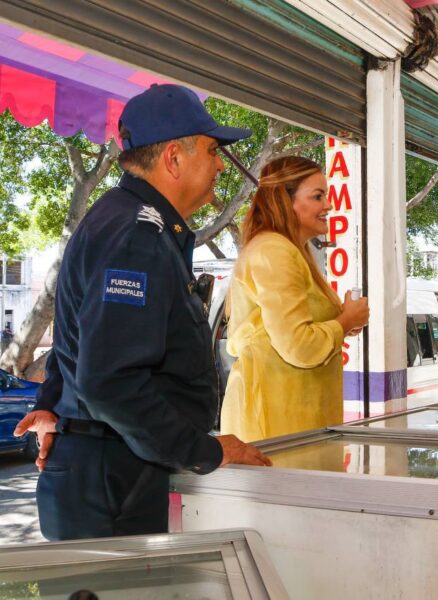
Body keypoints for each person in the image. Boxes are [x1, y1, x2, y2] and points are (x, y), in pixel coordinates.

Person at [13, 84, 270, 542]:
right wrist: (204, 451)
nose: (218, 165)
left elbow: (80, 343)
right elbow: (108, 379)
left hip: (110, 471)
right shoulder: (136, 234)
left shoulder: (122, 220)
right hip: (114, 483)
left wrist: (52, 403)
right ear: (173, 158)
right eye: (213, 150)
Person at [220, 156, 369, 442]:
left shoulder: (287, 250)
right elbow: (298, 346)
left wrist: (342, 324)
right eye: (318, 196)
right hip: (276, 421)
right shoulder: (274, 251)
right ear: (285, 201)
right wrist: (345, 320)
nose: (328, 205)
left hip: (294, 418)